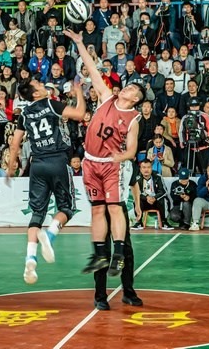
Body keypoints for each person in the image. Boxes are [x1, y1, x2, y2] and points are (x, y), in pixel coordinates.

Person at [64, 30, 143, 277]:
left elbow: (132, 149)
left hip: (111, 165)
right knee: (97, 209)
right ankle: (99, 254)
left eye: (131, 88)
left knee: (114, 208)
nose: (127, 87)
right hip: (90, 162)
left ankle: (118, 255)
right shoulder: (107, 97)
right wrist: (80, 44)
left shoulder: (133, 118)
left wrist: (122, 157)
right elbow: (92, 69)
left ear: (135, 99)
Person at [7, 78, 86, 284]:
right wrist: (79, 91)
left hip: (37, 165)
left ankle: (30, 258)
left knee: (37, 213)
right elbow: (80, 114)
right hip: (58, 160)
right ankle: (49, 236)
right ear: (35, 94)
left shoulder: (24, 114)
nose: (44, 86)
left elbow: (15, 144)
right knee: (66, 208)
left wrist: (10, 167)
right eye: (40, 86)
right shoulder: (51, 104)